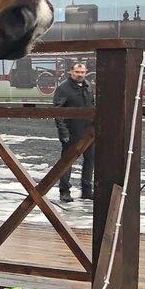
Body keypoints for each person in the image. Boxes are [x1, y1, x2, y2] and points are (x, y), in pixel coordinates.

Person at [53, 60, 94, 202]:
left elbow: (92, 105)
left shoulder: (88, 86)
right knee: (67, 162)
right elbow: (58, 112)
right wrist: (63, 133)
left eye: (82, 72)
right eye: (77, 72)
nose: (80, 75)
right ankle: (64, 191)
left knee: (90, 161)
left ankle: (87, 191)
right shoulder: (63, 88)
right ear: (71, 72)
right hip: (71, 132)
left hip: (89, 132)